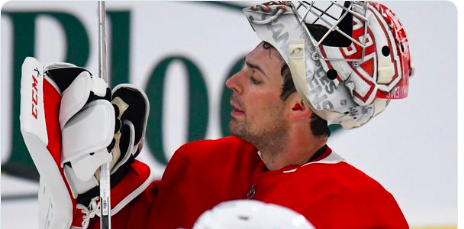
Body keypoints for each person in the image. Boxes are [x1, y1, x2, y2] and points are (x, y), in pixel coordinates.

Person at [20, 1, 414, 229]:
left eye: (254, 79)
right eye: (246, 66)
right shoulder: (202, 165)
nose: (232, 83)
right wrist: (103, 187)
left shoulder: (360, 210)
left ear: (299, 106)